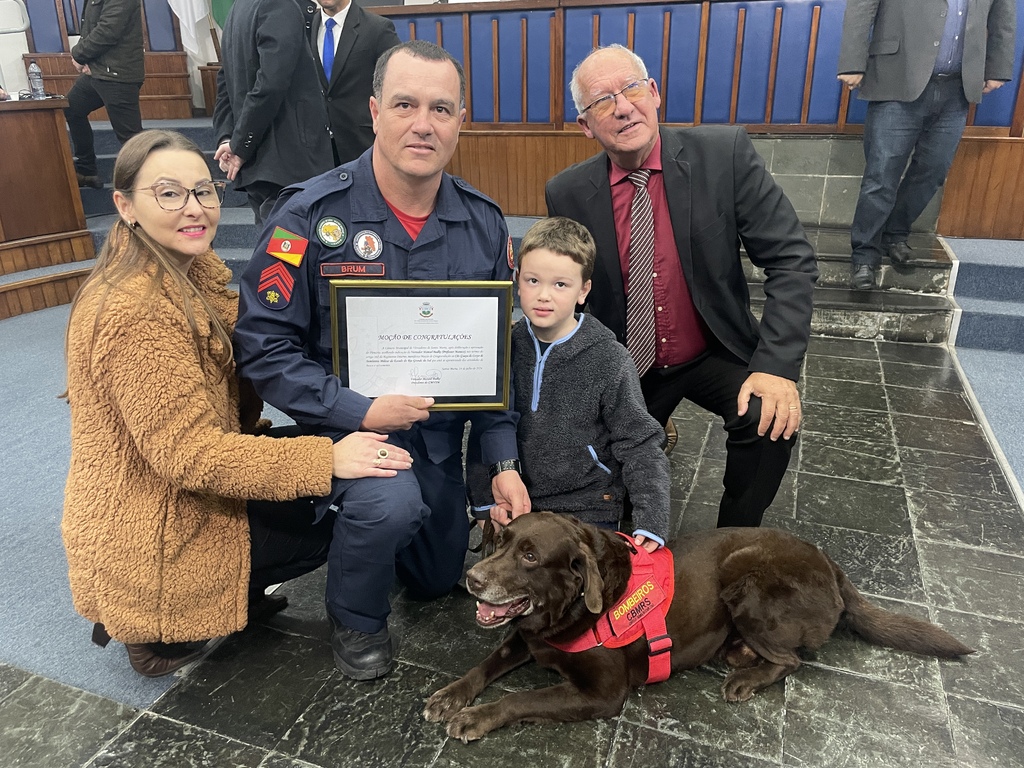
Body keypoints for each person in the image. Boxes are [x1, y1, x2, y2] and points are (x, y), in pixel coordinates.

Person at [62, 129, 413, 679]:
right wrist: (324, 459)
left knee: (371, 477)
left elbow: (258, 350)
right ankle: (154, 625)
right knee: (353, 502)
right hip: (158, 523)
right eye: (169, 194)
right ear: (124, 205)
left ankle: (207, 593)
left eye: (203, 190)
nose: (194, 208)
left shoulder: (187, 272)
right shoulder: (137, 311)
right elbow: (191, 457)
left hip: (184, 484)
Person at [233, 40, 530, 681]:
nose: (423, 123)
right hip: (344, 429)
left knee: (434, 578)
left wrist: (502, 461)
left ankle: (380, 538)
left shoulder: (482, 223)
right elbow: (264, 347)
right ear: (373, 111)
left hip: (439, 436)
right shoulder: (308, 217)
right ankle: (355, 615)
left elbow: (494, 358)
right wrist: (357, 409)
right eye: (405, 104)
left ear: (459, 121)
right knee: (389, 506)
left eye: (441, 108)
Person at [545, 44, 817, 530]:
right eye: (602, 101)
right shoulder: (566, 192)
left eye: (630, 89)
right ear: (586, 125)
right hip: (629, 359)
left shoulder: (723, 155)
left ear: (653, 93)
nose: (622, 106)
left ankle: (734, 539)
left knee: (768, 417)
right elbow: (572, 292)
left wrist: (777, 368)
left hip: (713, 346)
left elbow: (791, 261)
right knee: (603, 494)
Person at [474, 217, 670, 552]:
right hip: (519, 501)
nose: (544, 296)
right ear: (517, 281)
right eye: (533, 280)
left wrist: (651, 519)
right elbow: (485, 425)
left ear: (583, 290)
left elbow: (639, 441)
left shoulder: (609, 359)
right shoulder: (502, 347)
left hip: (590, 504)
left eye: (561, 285)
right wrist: (482, 501)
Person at [838, 0, 1016, 290]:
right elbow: (861, 7)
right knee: (881, 175)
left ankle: (895, 234)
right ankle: (864, 255)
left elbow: (1003, 16)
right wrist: (852, 61)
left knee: (932, 172)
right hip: (898, 75)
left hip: (957, 88)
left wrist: (997, 67)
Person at [213, 0, 335, 224]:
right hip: (288, 164)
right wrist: (239, 146)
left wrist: (228, 137)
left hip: (264, 165)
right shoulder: (277, 4)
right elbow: (271, 84)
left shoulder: (238, 9)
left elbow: (224, 83)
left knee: (276, 251)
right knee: (290, 253)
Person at [64, 0, 145, 189]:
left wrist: (78, 55)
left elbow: (108, 30)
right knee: (72, 107)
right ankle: (86, 170)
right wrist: (88, 60)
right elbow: (90, 28)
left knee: (131, 138)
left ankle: (146, 185)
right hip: (99, 72)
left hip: (118, 74)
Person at [308, 0, 400, 165]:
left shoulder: (377, 28)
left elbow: (398, 83)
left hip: (362, 144)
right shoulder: (305, 28)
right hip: (316, 150)